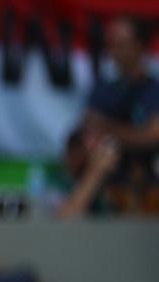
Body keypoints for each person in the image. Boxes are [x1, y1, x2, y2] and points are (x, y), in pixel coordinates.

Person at [81, 15, 159, 214]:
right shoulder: (103, 90)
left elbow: (153, 135)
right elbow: (90, 133)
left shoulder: (154, 90)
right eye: (111, 45)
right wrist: (135, 134)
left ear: (139, 46)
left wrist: (108, 128)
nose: (113, 52)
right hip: (109, 187)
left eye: (120, 45)